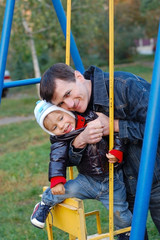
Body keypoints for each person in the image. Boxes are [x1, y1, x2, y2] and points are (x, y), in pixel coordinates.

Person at [40, 63, 160, 239]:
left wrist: (115, 125)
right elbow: (65, 156)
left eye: (68, 93)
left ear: (78, 76)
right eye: (61, 103)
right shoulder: (67, 116)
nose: (71, 104)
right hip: (120, 188)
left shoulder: (123, 85)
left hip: (156, 177)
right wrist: (80, 141)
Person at [30, 100, 132, 240]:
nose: (62, 126)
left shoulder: (92, 118)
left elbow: (117, 132)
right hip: (87, 180)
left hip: (112, 181)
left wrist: (118, 151)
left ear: (67, 111)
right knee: (62, 190)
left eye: (61, 118)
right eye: (54, 127)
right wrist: (57, 180)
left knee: (121, 214)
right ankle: (44, 204)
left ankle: (125, 234)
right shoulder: (61, 139)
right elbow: (57, 159)